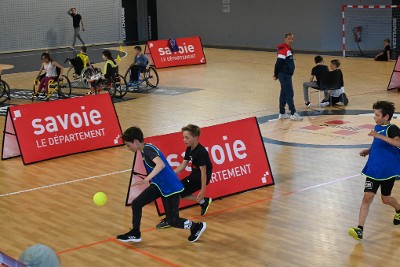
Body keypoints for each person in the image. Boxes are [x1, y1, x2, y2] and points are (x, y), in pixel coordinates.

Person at [116, 126, 207, 243]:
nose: (128, 148)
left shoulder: (147, 149)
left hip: (170, 187)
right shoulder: (144, 150)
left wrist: (146, 179)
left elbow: (160, 165)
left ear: (135, 142)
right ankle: (135, 232)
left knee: (173, 220)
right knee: (137, 203)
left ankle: (196, 227)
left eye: (128, 145)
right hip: (159, 185)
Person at [348, 101, 400, 240]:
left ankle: (399, 210)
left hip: (387, 171)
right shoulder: (377, 127)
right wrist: (368, 151)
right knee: (367, 197)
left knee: (385, 199)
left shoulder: (392, 129)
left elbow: (398, 143)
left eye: (377, 115)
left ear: (386, 116)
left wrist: (378, 136)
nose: (374, 117)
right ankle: (360, 229)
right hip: (373, 169)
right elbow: (378, 144)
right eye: (374, 114)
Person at [156, 124, 213, 229]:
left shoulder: (200, 152)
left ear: (195, 138)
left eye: (187, 138)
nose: (184, 140)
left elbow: (204, 172)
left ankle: (170, 219)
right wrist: (170, 174)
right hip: (194, 175)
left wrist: (203, 190)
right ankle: (203, 202)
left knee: (176, 192)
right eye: (183, 137)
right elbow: (183, 165)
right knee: (180, 193)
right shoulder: (189, 148)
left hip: (199, 178)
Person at [273, 33, 303, 121]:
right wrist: (276, 74)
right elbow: (278, 63)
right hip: (284, 75)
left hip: (287, 75)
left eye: (292, 39)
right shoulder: (283, 50)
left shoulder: (289, 49)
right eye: (289, 39)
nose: (291, 41)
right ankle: (293, 113)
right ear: (285, 39)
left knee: (284, 93)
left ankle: (282, 113)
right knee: (289, 93)